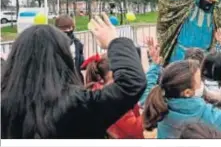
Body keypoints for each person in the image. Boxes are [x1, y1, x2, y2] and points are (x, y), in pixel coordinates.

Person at [1, 14, 146, 138]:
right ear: (63, 59)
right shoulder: (77, 105)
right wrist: (115, 41)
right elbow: (131, 83)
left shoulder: (5, 105)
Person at [83, 53, 144, 139]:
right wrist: (149, 113)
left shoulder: (98, 94)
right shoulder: (113, 99)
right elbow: (134, 128)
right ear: (111, 74)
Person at [54, 15, 85, 83]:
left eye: (69, 27)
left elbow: (81, 63)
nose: (67, 30)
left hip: (76, 80)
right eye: (64, 28)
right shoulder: (53, 45)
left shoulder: (77, 44)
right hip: (59, 82)